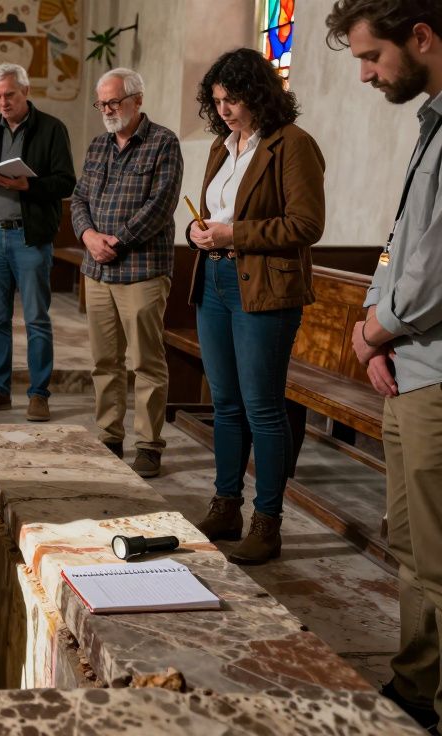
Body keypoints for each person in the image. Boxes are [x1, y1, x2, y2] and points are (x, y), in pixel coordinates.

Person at [327, 0, 442, 730]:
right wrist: (376, 329)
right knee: (412, 542)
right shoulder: (432, 123)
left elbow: (434, 268)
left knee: (437, 552)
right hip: (412, 362)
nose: (366, 75)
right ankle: (416, 682)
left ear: (422, 36)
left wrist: (378, 329)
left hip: (436, 370)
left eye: (373, 57)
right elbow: (400, 242)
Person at [187, 48, 325, 565]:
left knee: (262, 408)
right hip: (216, 279)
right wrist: (199, 231)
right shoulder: (224, 146)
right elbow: (212, 213)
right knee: (224, 404)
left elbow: (306, 226)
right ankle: (226, 507)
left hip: (264, 285)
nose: (224, 110)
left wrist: (233, 233)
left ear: (260, 94)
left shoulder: (292, 145)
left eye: (234, 99)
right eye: (218, 100)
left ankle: (268, 523)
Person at [70, 68, 183, 478]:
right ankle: (109, 434)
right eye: (102, 103)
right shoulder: (99, 145)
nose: (107, 110)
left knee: (146, 362)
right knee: (104, 360)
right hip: (96, 270)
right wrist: (87, 235)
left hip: (141, 269)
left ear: (137, 100)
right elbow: (79, 197)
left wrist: (115, 240)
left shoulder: (163, 142)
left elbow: (161, 204)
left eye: (114, 102)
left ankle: (150, 443)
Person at [0, 63, 76, 420]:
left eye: (9, 94)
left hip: (29, 238)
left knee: (36, 319)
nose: (3, 102)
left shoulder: (51, 129)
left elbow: (65, 182)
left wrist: (29, 185)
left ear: (25, 91)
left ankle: (38, 394)